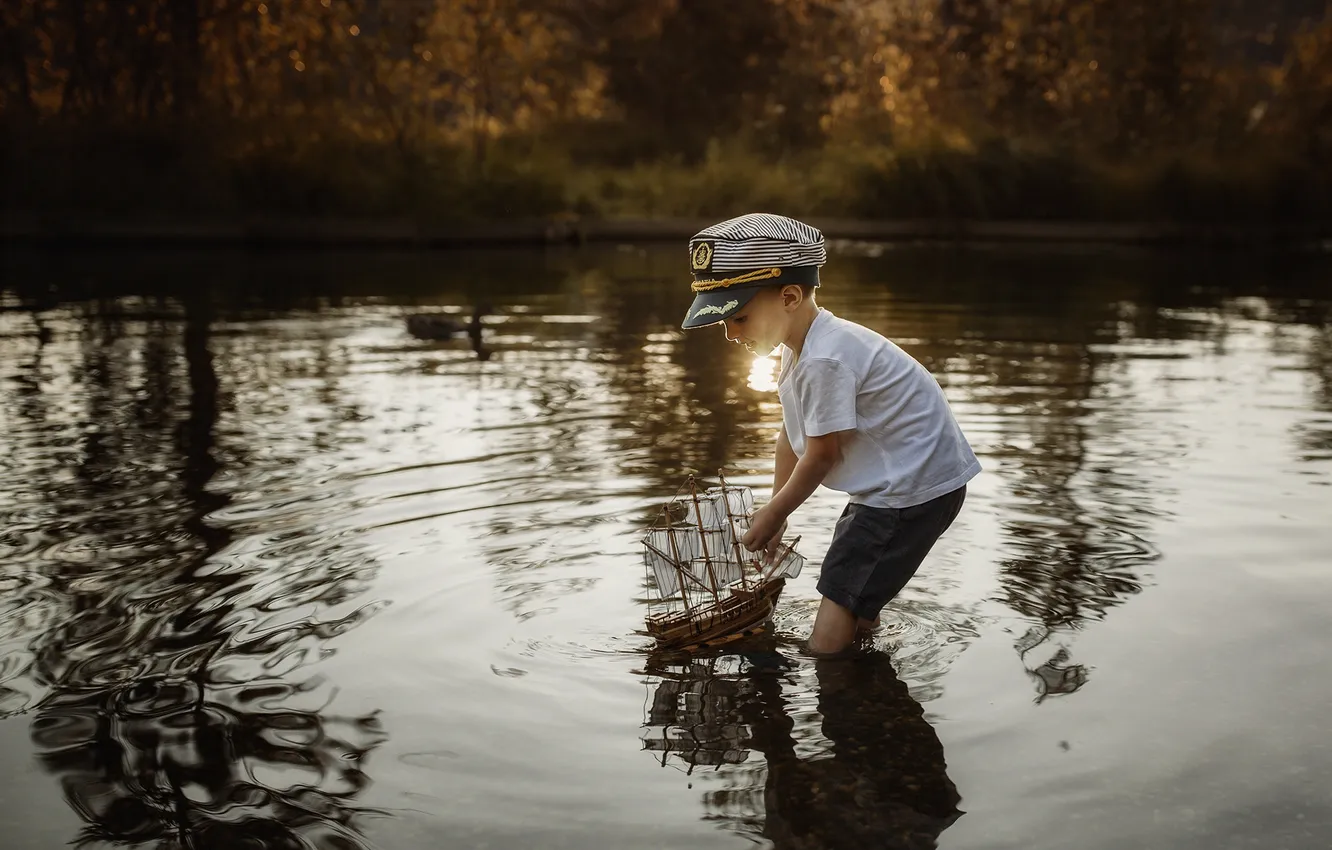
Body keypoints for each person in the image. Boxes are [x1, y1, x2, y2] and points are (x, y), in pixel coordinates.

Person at [680, 212, 981, 655]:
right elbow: (791, 435)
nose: (729, 333)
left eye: (738, 318)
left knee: (838, 594)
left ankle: (834, 680)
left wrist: (772, 515)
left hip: (911, 490)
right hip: (902, 483)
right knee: (858, 589)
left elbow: (821, 457)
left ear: (788, 295)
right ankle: (866, 668)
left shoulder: (825, 359)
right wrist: (777, 507)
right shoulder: (802, 347)